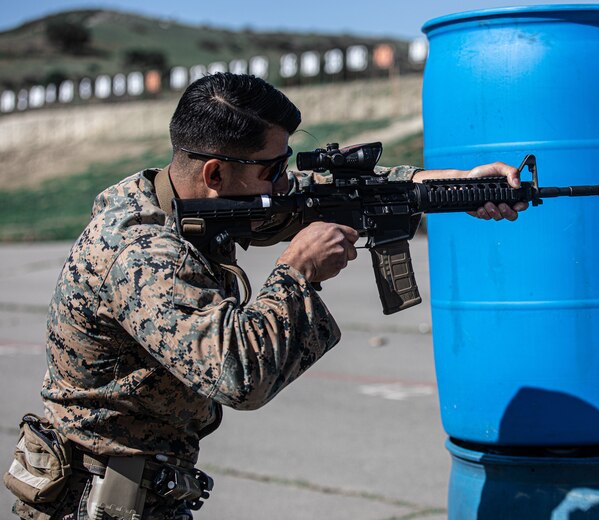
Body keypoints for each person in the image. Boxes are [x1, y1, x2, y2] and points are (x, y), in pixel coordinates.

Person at [6, 73, 527, 519]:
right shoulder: (140, 253)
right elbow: (239, 375)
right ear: (215, 172)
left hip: (139, 485)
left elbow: (318, 195)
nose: (283, 184)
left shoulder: (183, 195)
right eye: (272, 170)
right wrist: (296, 273)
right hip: (94, 499)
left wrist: (456, 185)